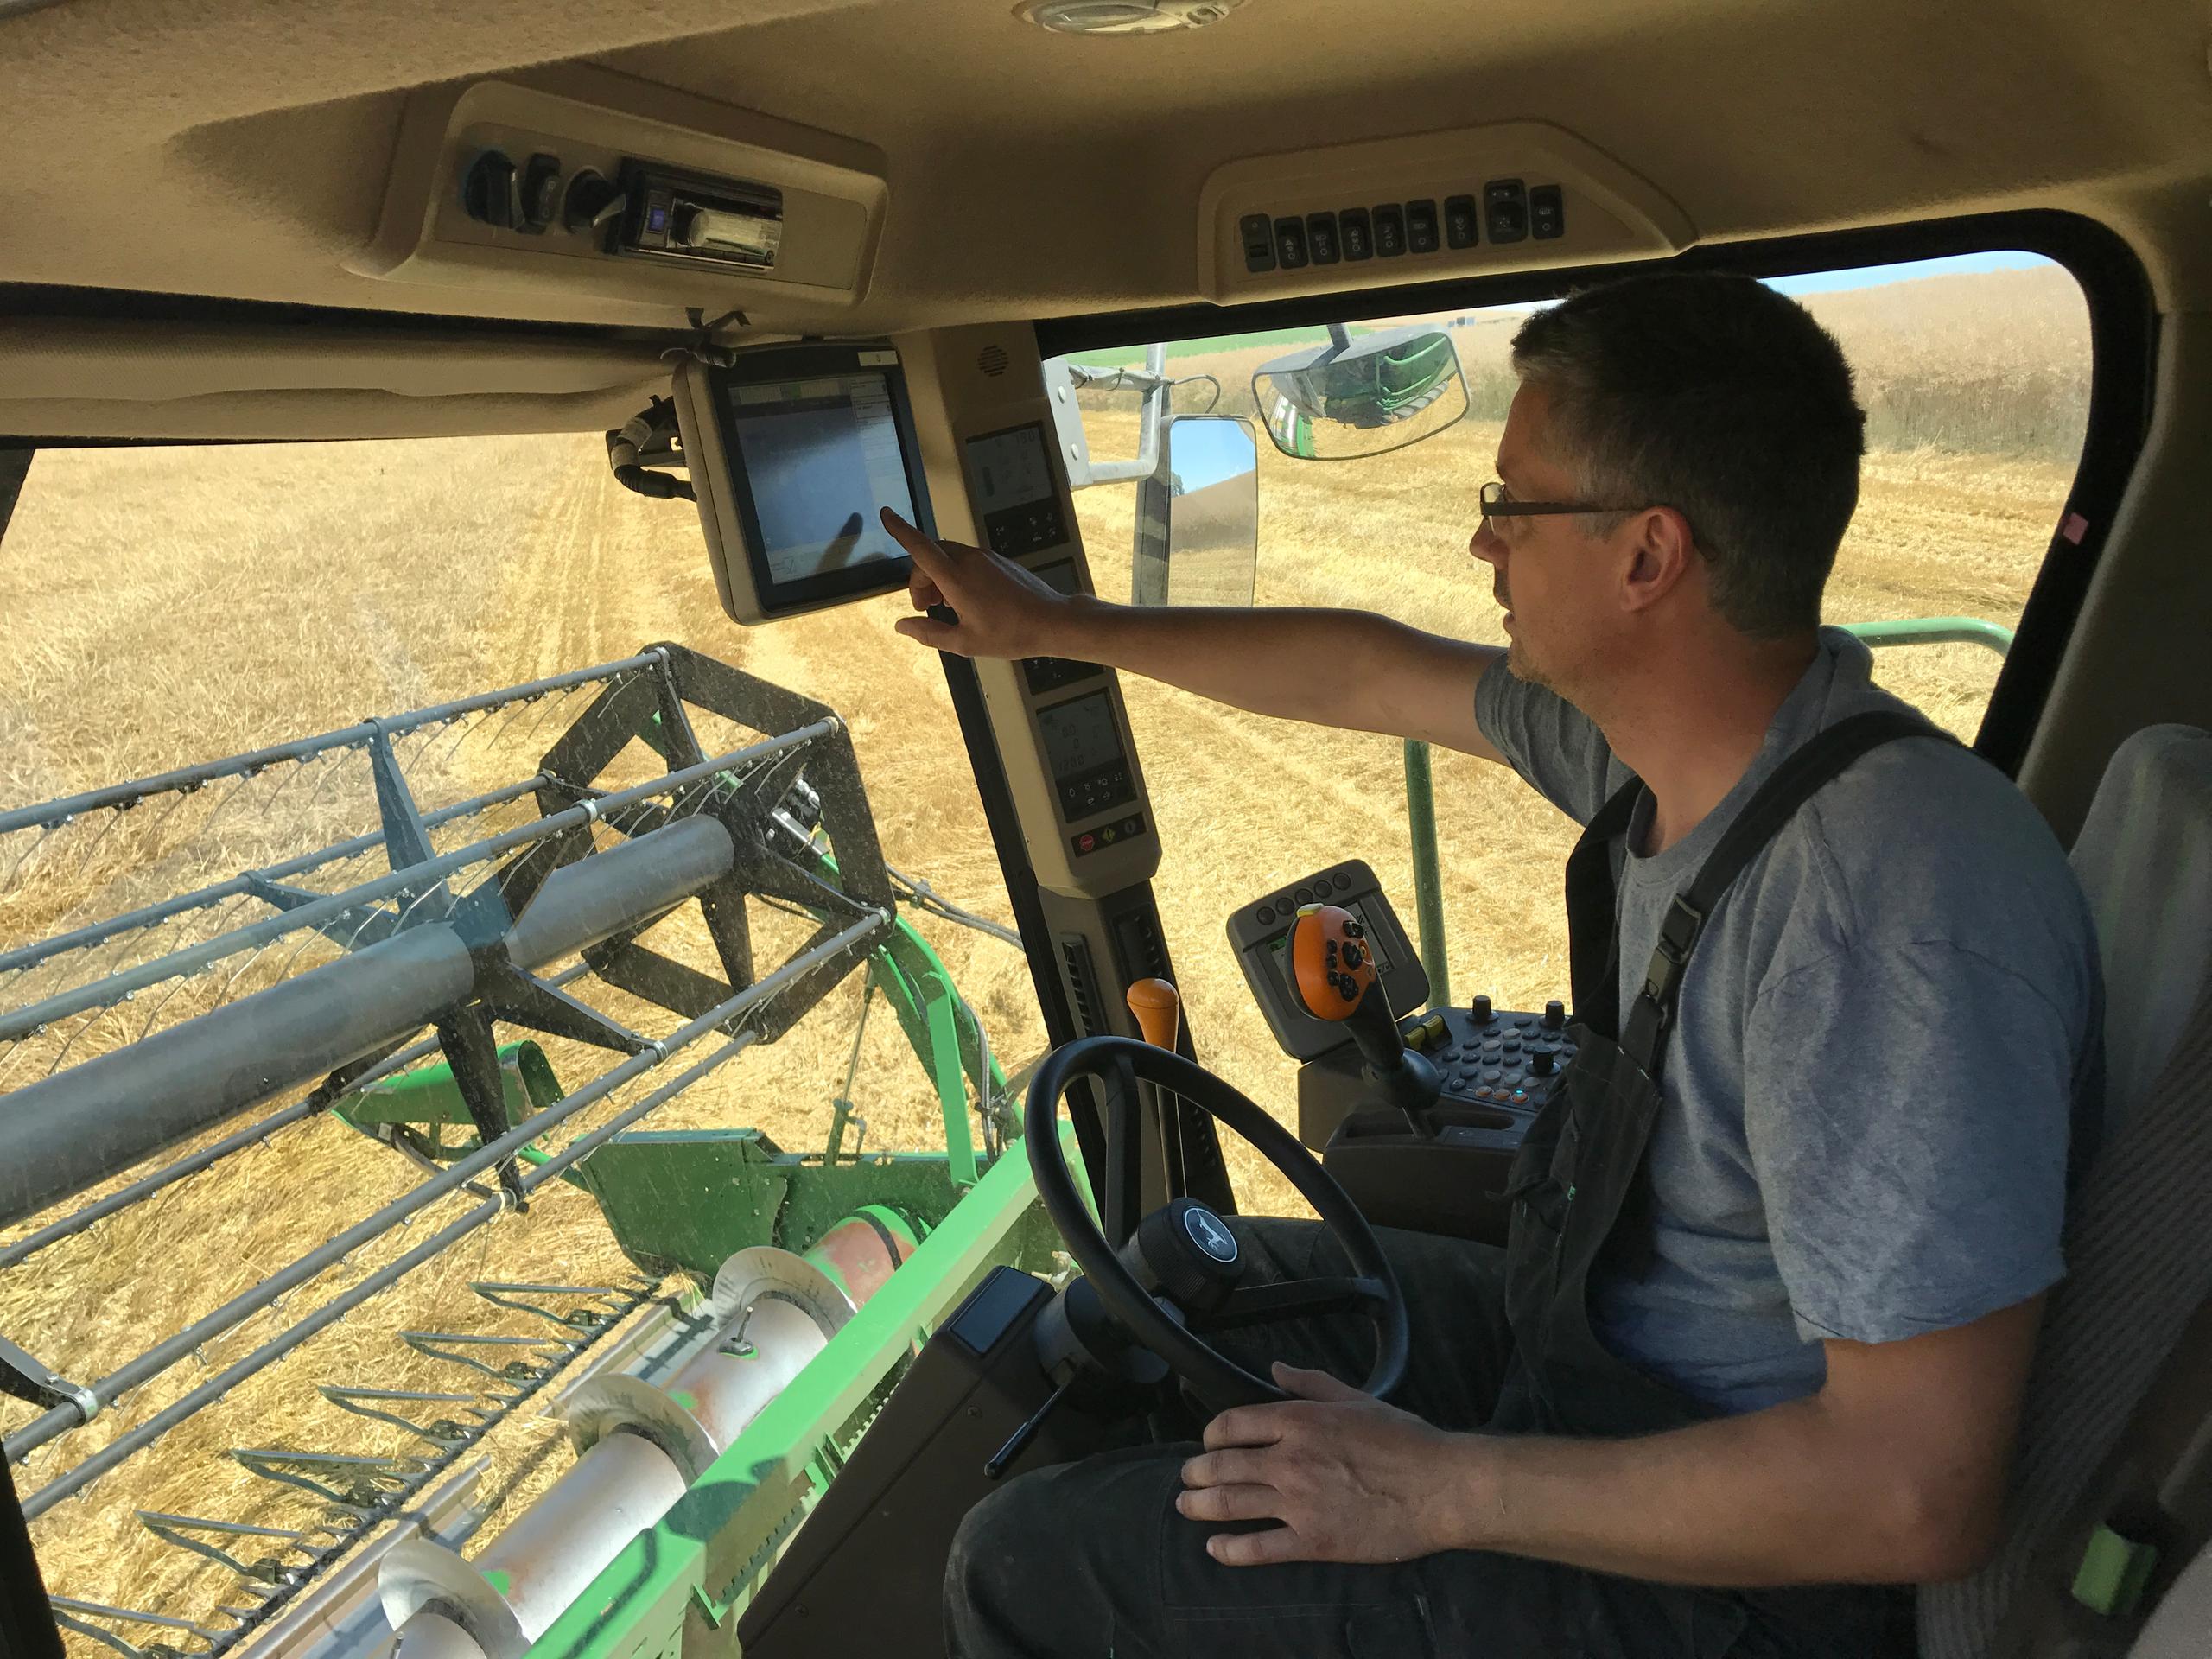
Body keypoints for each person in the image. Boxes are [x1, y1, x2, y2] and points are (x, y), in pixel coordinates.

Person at [878, 271, 2102, 1659]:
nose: (1483, 548)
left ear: (1648, 557)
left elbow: (1907, 1498)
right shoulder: (1690, 756)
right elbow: (1363, 672)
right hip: (1608, 1373)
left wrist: (1434, 1488)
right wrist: (1052, 626)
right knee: (1165, 1286)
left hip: (1752, 1584)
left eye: (1509, 506)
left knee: (1031, 1566)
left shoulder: (1877, 910)